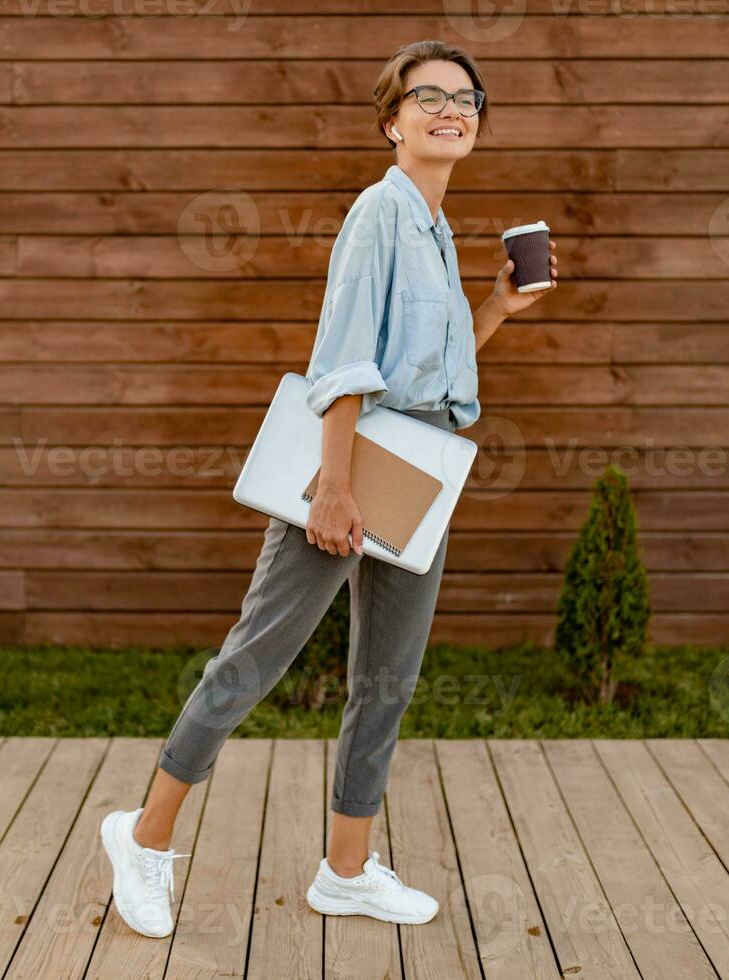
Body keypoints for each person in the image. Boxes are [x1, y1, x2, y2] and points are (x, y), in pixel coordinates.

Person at [100, 38, 558, 938]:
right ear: (392, 121)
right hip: (352, 467)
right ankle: (143, 841)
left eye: (465, 98)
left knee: (385, 677)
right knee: (252, 662)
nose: (449, 108)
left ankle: (346, 872)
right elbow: (345, 360)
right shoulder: (378, 214)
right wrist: (332, 489)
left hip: (419, 469)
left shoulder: (433, 227)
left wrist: (497, 306)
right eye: (426, 96)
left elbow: (433, 375)